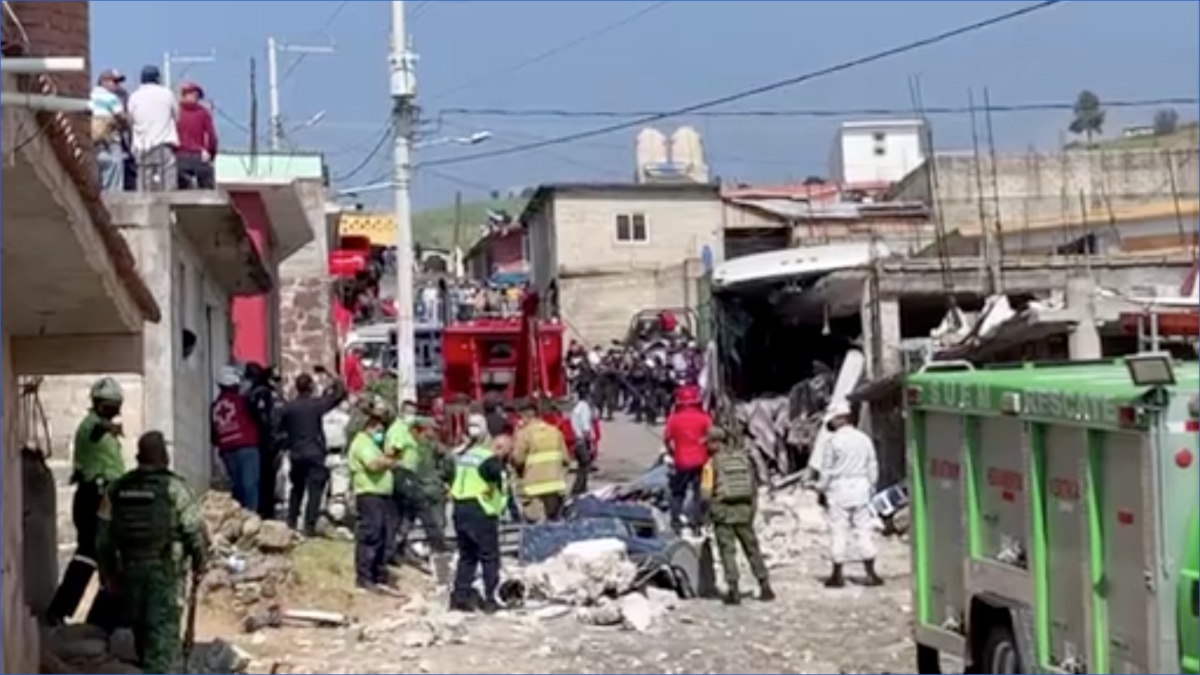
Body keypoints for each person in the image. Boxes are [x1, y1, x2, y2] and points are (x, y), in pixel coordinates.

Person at [96, 431, 206, 673]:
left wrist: (108, 574)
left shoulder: (116, 489)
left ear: (138, 456)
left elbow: (102, 538)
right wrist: (200, 563)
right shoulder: (175, 488)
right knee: (161, 646)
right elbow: (194, 531)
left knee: (142, 637)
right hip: (164, 577)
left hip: (129, 575)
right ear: (164, 457)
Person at [815, 401, 883, 588]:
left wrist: (821, 489)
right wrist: (871, 485)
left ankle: (837, 574)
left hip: (839, 489)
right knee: (863, 529)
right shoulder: (863, 439)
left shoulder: (833, 442)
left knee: (839, 530)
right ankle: (871, 573)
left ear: (838, 419)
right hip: (861, 487)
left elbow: (827, 471)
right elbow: (872, 465)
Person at [704, 426, 774, 605]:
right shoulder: (743, 459)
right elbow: (753, 488)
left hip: (723, 512)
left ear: (714, 443)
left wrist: (707, 512)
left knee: (727, 551)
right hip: (744, 510)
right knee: (752, 549)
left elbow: (705, 492)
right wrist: (752, 511)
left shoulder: (711, 464)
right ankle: (765, 585)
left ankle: (733, 589)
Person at [449, 419, 510, 613]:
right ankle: (490, 599)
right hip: (481, 511)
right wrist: (501, 508)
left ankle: (460, 598)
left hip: (460, 509)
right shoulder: (488, 459)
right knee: (489, 557)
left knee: (467, 556)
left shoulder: (463, 456)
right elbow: (501, 485)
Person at [278, 367, 347, 535]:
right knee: (315, 490)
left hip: (296, 453)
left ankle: (292, 521)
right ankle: (309, 526)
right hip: (315, 453)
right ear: (310, 387)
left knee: (297, 488)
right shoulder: (315, 405)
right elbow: (340, 393)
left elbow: (281, 429)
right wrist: (329, 373)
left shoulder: (289, 408)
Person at [72, 377, 128, 559]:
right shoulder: (91, 424)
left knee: (106, 552)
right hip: (94, 495)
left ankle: (106, 588)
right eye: (109, 406)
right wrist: (109, 427)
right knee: (89, 551)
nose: (114, 410)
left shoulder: (99, 425)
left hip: (104, 494)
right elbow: (96, 429)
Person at [347, 399, 399, 592]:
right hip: (369, 494)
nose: (381, 432)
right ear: (369, 426)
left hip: (381, 494)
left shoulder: (373, 444)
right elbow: (373, 465)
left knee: (384, 535)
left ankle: (378, 574)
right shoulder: (362, 443)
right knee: (371, 534)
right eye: (377, 427)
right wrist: (390, 461)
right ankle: (364, 576)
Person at [662, 385, 712, 535]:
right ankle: (696, 523)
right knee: (698, 493)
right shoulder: (704, 418)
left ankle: (676, 523)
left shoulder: (674, 419)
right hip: (700, 461)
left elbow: (666, 439)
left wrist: (672, 452)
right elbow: (711, 437)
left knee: (678, 493)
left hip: (681, 461)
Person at [211, 365, 261, 512]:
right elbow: (257, 418)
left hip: (227, 451)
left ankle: (237, 518)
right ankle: (250, 518)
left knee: (237, 488)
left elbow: (214, 436)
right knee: (250, 487)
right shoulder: (242, 400)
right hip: (246, 447)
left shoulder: (215, 407)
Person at [511, 399, 568, 523]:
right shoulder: (555, 431)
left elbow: (517, 459)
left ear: (525, 416)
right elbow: (565, 459)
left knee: (536, 524)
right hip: (555, 485)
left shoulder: (524, 434)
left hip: (534, 487)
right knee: (553, 522)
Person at [126, 64, 178, 192]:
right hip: (163, 143)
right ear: (158, 79)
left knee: (144, 180)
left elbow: (129, 119)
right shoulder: (167, 94)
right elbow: (177, 116)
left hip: (142, 145)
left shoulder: (134, 97)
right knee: (167, 180)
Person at [89, 68, 127, 192]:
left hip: (92, 138)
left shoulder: (89, 95)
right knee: (115, 167)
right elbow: (121, 117)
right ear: (104, 82)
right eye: (114, 82)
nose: (117, 85)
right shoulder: (111, 98)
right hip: (110, 139)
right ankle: (114, 196)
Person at [174, 81, 217, 189]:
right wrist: (210, 153)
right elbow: (212, 137)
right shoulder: (203, 113)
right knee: (208, 190)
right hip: (198, 156)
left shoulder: (176, 112)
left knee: (179, 191)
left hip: (180, 156)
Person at [568, 393, 597, 496]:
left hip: (577, 440)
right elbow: (586, 428)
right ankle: (578, 488)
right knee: (585, 465)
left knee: (582, 465)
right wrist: (591, 443)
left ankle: (581, 487)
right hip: (582, 441)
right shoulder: (584, 408)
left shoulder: (577, 408)